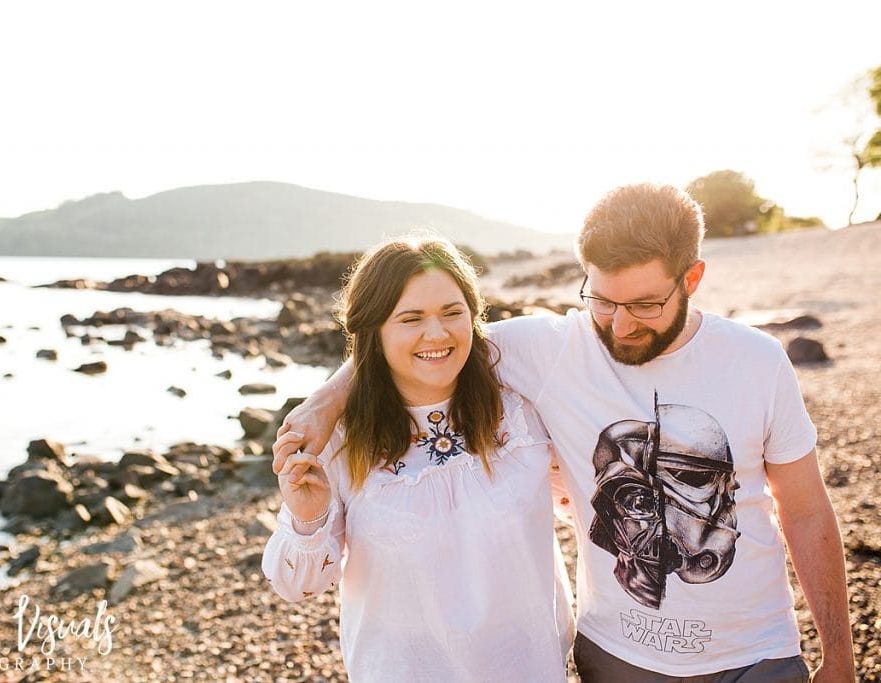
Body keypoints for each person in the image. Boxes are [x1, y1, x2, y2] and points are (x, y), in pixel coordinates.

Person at [279, 184, 855, 682]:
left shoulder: (756, 362)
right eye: (603, 300)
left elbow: (803, 510)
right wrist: (327, 402)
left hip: (755, 657)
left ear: (693, 278)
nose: (622, 325)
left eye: (646, 304)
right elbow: (426, 338)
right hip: (617, 657)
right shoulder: (554, 351)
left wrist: (840, 656)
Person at [261, 235, 574, 682]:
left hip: (529, 667)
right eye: (411, 319)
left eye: (452, 312)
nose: (437, 334)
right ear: (375, 332)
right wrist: (307, 517)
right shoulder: (341, 437)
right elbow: (296, 587)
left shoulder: (523, 405)